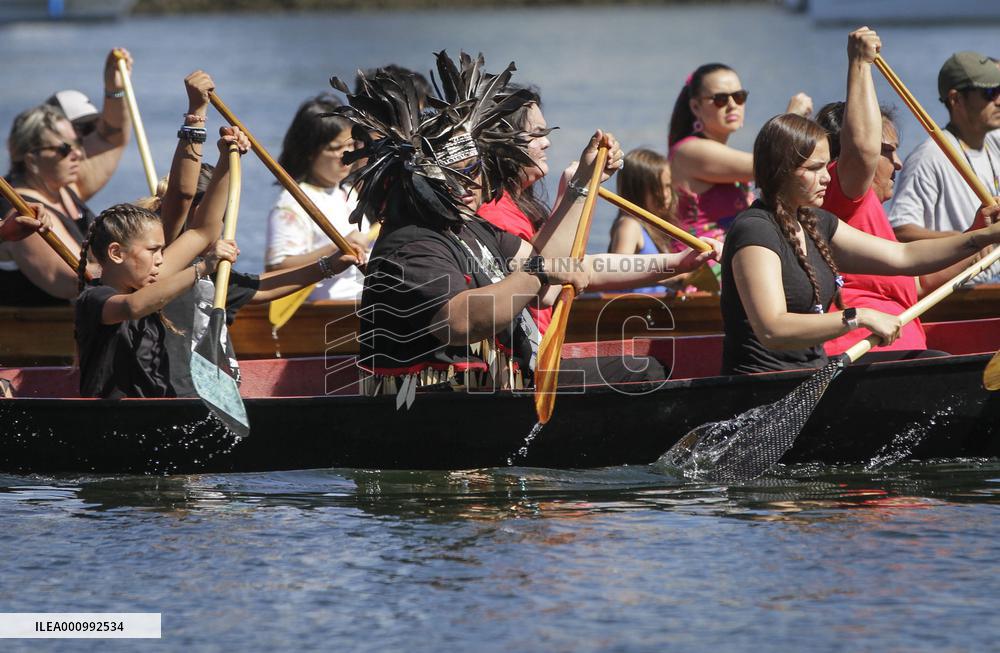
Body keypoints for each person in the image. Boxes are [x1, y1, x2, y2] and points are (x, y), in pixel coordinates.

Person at [334, 52, 721, 396]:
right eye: (456, 176)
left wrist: (674, 264)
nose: (473, 185)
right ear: (422, 181)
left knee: (643, 370)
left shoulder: (470, 228)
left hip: (502, 390)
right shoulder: (411, 244)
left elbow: (571, 269)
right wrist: (539, 274)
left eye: (476, 171)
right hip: (445, 410)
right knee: (639, 374)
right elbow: (461, 319)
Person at [720, 112, 1000, 375]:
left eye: (826, 165)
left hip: (811, 376)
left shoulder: (817, 223)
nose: (827, 177)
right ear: (782, 170)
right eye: (815, 168)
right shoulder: (755, 230)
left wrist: (981, 237)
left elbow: (904, 256)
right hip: (765, 387)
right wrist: (858, 316)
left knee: (932, 365)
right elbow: (773, 328)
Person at [74, 128, 247, 399]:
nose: (161, 258)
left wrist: (227, 159)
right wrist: (201, 269)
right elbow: (134, 306)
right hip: (108, 421)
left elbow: (203, 231)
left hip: (155, 413)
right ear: (117, 253)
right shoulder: (94, 299)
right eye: (153, 250)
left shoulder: (153, 278)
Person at [815, 27, 927, 356]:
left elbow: (917, 284)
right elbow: (862, 152)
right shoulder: (837, 190)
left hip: (895, 351)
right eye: (888, 151)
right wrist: (860, 64)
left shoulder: (873, 214)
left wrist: (980, 236)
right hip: (856, 353)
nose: (899, 163)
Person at [1, 48, 134, 305]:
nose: (79, 154)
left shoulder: (62, 187)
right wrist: (153, 269)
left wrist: (114, 89)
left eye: (77, 144)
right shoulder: (19, 211)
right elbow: (75, 279)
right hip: (40, 336)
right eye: (65, 149)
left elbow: (111, 137)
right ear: (31, 158)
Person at [888, 50, 1000, 282]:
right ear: (956, 99)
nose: (998, 100)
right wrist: (967, 239)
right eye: (990, 92)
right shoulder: (930, 157)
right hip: (965, 288)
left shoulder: (994, 142)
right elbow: (900, 231)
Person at [668, 63, 812, 242]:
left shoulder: (716, 151)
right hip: (703, 263)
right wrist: (792, 118)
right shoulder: (689, 151)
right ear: (696, 107)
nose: (732, 105)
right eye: (720, 99)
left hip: (728, 256)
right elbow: (768, 166)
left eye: (739, 96)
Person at [264, 94, 369, 301]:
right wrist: (337, 246)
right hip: (323, 313)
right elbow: (275, 269)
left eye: (350, 145)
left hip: (361, 305)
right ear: (310, 151)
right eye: (335, 148)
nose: (346, 155)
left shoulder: (348, 193)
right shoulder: (292, 204)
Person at [607, 148, 678, 294]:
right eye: (655, 188)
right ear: (635, 189)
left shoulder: (653, 228)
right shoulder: (630, 225)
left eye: (667, 186)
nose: (665, 195)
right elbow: (615, 275)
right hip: (634, 312)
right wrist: (673, 274)